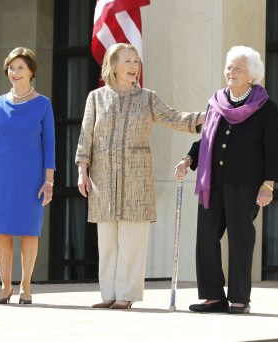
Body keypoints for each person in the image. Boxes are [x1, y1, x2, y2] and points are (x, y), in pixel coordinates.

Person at [75, 43, 205, 310]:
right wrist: (82, 171)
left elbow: (174, 117)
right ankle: (108, 294)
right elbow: (85, 136)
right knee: (108, 240)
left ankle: (126, 294)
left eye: (136, 61)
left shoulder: (147, 98)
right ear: (113, 66)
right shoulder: (96, 97)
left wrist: (205, 116)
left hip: (137, 178)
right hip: (103, 178)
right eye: (128, 61)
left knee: (133, 240)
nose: (134, 66)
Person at [174, 46, 278, 314]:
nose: (231, 72)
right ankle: (213, 296)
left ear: (252, 74)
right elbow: (207, 140)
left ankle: (239, 298)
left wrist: (268, 185)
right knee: (206, 238)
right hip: (213, 182)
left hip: (245, 184)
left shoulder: (265, 106)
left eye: (238, 68)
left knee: (240, 238)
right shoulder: (216, 102)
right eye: (229, 67)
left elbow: (274, 148)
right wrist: (188, 160)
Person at [0, 47, 55, 305]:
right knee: (2, 232)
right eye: (11, 67)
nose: (15, 72)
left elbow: (50, 144)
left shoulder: (43, 104)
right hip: (1, 176)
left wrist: (49, 180)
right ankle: (5, 286)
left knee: (29, 232)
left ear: (31, 71)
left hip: (31, 177)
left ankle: (26, 286)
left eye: (20, 67)